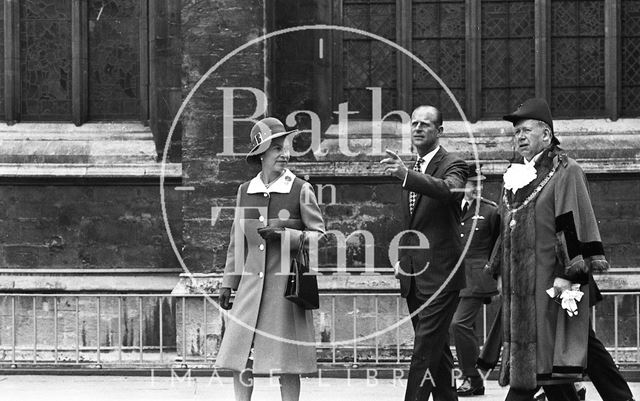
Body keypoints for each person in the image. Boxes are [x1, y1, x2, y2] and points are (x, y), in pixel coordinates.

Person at [489, 98, 615, 401]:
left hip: (553, 283)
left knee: (553, 358)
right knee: (552, 364)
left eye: (526, 130)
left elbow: (571, 223)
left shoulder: (564, 170)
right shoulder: (515, 175)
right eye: (516, 131)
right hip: (523, 286)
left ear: (546, 135)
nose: (519, 136)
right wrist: (500, 269)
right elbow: (507, 226)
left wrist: (567, 276)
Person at [216, 117, 325, 401]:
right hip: (250, 292)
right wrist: (229, 282)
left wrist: (286, 234)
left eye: (286, 146)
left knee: (287, 363)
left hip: (284, 289)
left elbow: (319, 235)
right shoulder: (245, 191)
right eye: (276, 148)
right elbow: (237, 241)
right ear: (261, 153)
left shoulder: (300, 189)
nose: (284, 153)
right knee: (241, 356)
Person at [381, 105, 468, 401]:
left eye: (426, 124)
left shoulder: (455, 164)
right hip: (414, 278)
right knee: (437, 353)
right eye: (414, 123)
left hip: (442, 277)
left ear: (439, 131)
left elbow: (448, 191)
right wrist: (401, 261)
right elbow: (412, 224)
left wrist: (407, 176)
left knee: (423, 351)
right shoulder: (412, 169)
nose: (418, 128)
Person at [452, 164, 499, 396]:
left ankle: (472, 377)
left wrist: (495, 272)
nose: (476, 189)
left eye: (480, 184)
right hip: (453, 279)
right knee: (463, 326)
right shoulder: (451, 208)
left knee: (459, 324)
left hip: (478, 278)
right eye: (472, 185)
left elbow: (499, 245)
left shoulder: (491, 211)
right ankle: (474, 380)